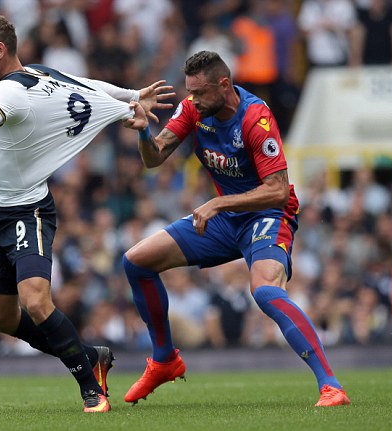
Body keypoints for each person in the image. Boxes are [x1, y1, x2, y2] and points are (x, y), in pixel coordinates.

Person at [0, 14, 173, 413]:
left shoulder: (6, 93)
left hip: (29, 210)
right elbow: (88, 87)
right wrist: (131, 94)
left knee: (36, 301)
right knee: (1, 319)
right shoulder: (39, 74)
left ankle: (92, 389)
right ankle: (90, 355)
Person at [121, 50, 351, 407]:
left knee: (264, 290)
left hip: (268, 215)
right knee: (136, 261)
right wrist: (143, 134)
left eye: (199, 93)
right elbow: (155, 157)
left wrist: (218, 202)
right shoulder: (193, 111)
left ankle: (331, 385)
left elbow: (277, 191)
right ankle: (164, 360)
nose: (192, 100)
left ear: (224, 85)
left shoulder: (256, 118)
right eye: (189, 92)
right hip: (226, 218)